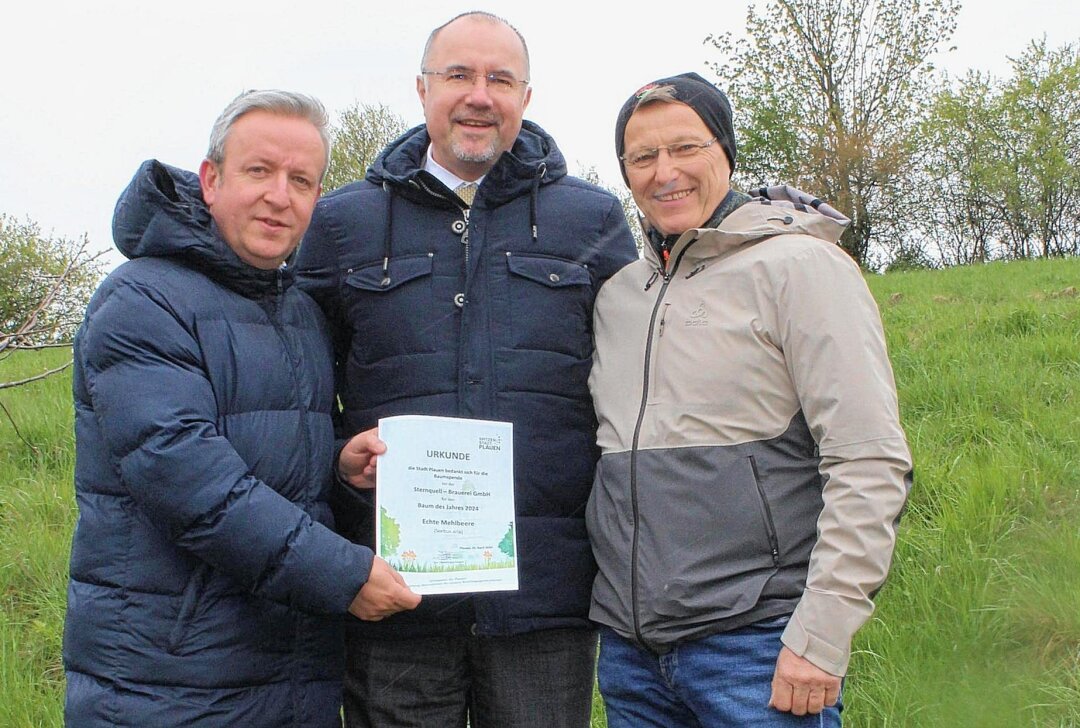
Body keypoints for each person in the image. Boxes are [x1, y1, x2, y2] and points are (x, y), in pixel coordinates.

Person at [295, 11, 638, 728]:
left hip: (546, 601)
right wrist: (335, 460)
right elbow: (291, 388)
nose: (479, 95)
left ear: (526, 98)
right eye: (458, 76)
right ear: (421, 90)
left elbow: (639, 386)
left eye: (499, 79)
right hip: (394, 597)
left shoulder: (594, 221)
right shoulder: (341, 225)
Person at [63, 90, 420, 728]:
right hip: (167, 680)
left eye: (301, 180)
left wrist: (339, 466)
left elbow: (273, 454)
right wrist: (342, 574)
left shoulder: (297, 311)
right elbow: (187, 479)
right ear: (211, 179)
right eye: (259, 171)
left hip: (286, 674)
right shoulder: (141, 301)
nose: (279, 196)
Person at [585, 72, 913, 727]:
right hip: (632, 656)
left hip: (757, 648)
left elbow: (869, 461)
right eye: (643, 157)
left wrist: (819, 637)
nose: (664, 172)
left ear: (726, 153)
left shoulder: (800, 268)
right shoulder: (620, 295)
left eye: (686, 148)